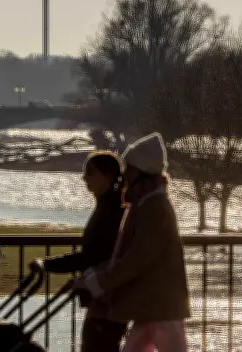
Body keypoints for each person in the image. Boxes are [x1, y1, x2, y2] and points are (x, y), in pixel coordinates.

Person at [76, 132, 190, 352]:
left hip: (161, 307)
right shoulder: (145, 204)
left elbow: (137, 258)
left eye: (129, 168)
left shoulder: (154, 207)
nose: (125, 173)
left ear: (141, 171)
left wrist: (99, 280)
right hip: (150, 306)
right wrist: (95, 277)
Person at [30, 151, 128, 352]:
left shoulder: (111, 210)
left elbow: (92, 256)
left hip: (107, 297)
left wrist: (49, 264)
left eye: (90, 173)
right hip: (105, 295)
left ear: (107, 176)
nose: (84, 178)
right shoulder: (108, 205)